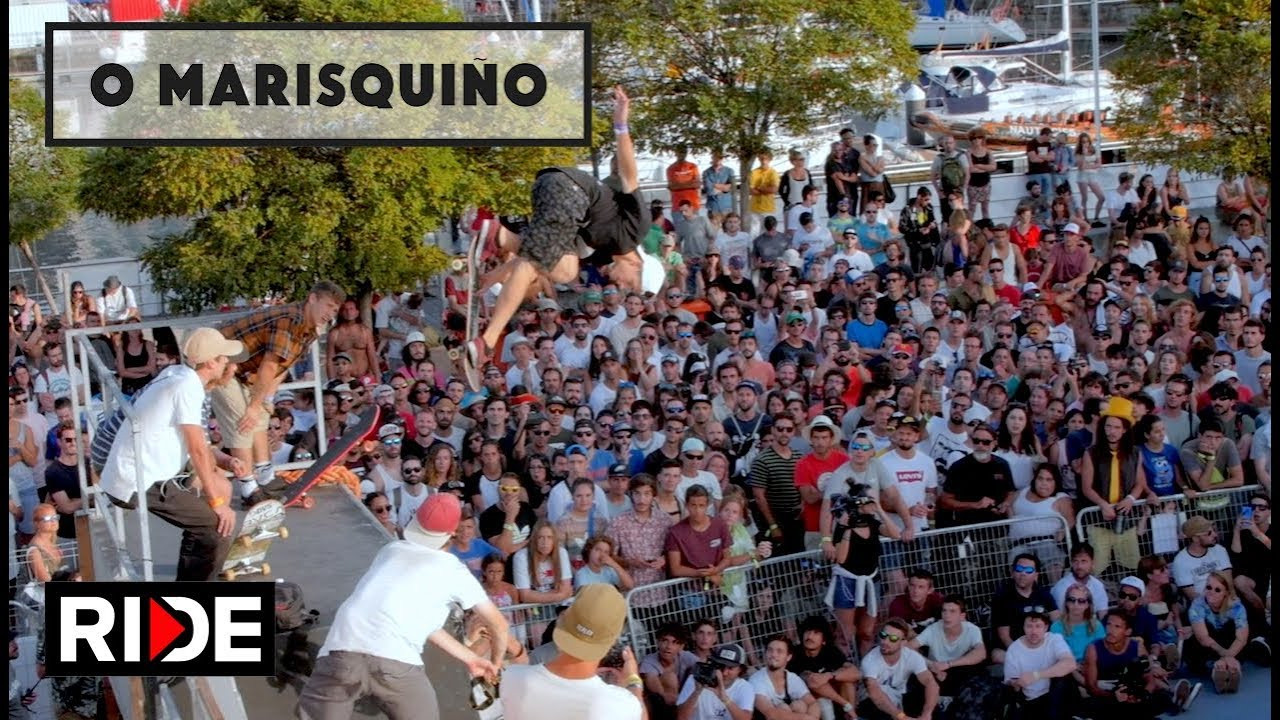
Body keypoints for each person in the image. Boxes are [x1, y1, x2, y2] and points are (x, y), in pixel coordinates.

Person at [464, 88, 646, 387]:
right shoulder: (635, 229)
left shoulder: (598, 249)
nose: (618, 284)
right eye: (628, 283)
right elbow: (630, 175)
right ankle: (487, 340)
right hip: (570, 191)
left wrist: (494, 276)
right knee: (536, 266)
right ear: (638, 265)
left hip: (549, 188)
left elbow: (536, 251)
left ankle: (499, 235)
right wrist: (621, 124)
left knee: (564, 269)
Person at [297, 494, 506, 720]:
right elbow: (499, 625)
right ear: (452, 532)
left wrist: (471, 658)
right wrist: (494, 664)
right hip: (397, 661)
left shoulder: (391, 550)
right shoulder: (453, 570)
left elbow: (422, 624)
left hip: (341, 650)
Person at [98, 328, 242, 581]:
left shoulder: (175, 374)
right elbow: (196, 448)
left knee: (202, 522)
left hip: (136, 474)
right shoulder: (188, 386)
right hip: (138, 481)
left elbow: (198, 446)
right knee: (216, 527)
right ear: (210, 362)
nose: (227, 364)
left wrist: (225, 462)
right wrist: (218, 504)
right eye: (222, 359)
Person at [216, 281, 344, 505]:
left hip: (247, 371)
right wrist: (254, 407)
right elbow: (270, 364)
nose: (330, 314)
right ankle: (248, 488)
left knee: (261, 417)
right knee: (243, 421)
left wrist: (266, 399)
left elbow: (284, 365)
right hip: (219, 364)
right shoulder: (289, 320)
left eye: (335, 310)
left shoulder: (311, 328)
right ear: (312, 298)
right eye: (328, 306)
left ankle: (265, 476)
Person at [501, 584, 645, 720]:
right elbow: (640, 714)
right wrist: (633, 680)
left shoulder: (512, 677)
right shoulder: (618, 703)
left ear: (561, 620)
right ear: (613, 640)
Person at [1001, 612, 1077, 720]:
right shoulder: (1014, 650)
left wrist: (1036, 675)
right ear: (1023, 627)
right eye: (1029, 626)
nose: (1033, 631)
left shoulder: (1054, 639)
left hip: (1058, 692)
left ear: (1046, 627)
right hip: (1033, 699)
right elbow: (1011, 683)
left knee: (1063, 678)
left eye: (1038, 626)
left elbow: (1070, 663)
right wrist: (1016, 683)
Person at [859, 618, 939, 720]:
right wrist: (902, 717)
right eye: (883, 635)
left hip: (900, 698)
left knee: (925, 687)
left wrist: (927, 713)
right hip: (873, 704)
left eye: (893, 638)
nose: (885, 641)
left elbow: (931, 683)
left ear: (903, 642)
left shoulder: (911, 656)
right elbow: (875, 694)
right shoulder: (870, 661)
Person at [910, 594, 987, 698]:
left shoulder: (972, 630)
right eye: (944, 611)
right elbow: (907, 648)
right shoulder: (933, 629)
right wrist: (930, 664)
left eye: (952, 611)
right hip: (935, 671)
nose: (947, 615)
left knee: (977, 670)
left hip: (958, 670)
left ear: (962, 616)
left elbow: (981, 654)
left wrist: (949, 664)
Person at [787, 616, 860, 720]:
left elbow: (855, 673)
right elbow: (812, 682)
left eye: (816, 633)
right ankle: (848, 710)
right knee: (819, 692)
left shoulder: (831, 651)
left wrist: (829, 675)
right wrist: (845, 704)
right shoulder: (795, 654)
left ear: (824, 640)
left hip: (834, 698)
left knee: (847, 681)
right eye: (807, 631)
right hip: (809, 702)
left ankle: (851, 717)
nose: (810, 636)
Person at [675, 642, 755, 720]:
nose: (724, 673)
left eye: (730, 668)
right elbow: (681, 717)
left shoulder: (745, 687)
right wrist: (696, 692)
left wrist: (725, 699)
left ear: (740, 670)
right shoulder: (695, 679)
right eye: (721, 666)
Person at [750, 636, 820, 719]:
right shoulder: (756, 680)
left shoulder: (792, 678)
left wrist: (813, 718)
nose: (773, 654)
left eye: (779, 651)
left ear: (788, 657)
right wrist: (804, 718)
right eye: (770, 650)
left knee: (799, 705)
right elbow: (771, 713)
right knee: (782, 708)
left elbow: (812, 703)